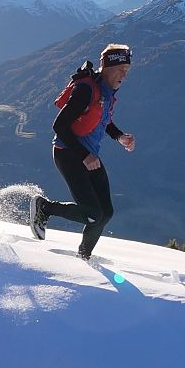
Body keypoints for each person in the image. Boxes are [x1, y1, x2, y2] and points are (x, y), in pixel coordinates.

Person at [29, 43, 135, 260]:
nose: (124, 75)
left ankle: (83, 257)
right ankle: (44, 208)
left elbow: (102, 121)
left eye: (127, 71)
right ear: (107, 67)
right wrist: (84, 156)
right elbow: (59, 126)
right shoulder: (86, 90)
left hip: (88, 155)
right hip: (69, 154)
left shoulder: (106, 92)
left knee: (106, 212)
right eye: (121, 69)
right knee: (92, 214)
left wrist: (119, 137)